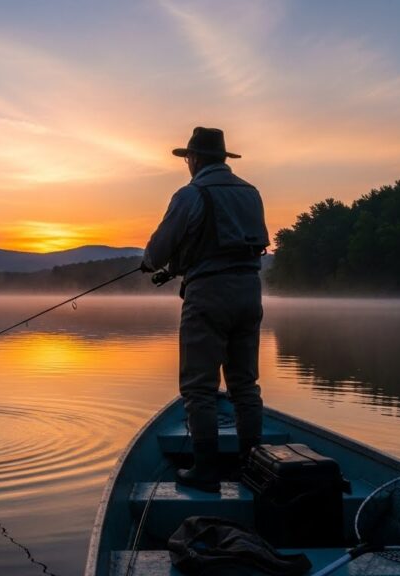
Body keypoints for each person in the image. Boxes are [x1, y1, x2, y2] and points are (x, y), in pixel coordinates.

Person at [141, 126, 269, 492]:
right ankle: (253, 465)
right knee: (245, 384)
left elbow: (158, 251)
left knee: (199, 387)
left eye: (188, 159)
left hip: (209, 294)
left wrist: (150, 263)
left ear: (194, 159)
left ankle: (206, 471)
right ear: (223, 159)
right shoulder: (251, 193)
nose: (188, 164)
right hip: (250, 292)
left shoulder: (190, 194)